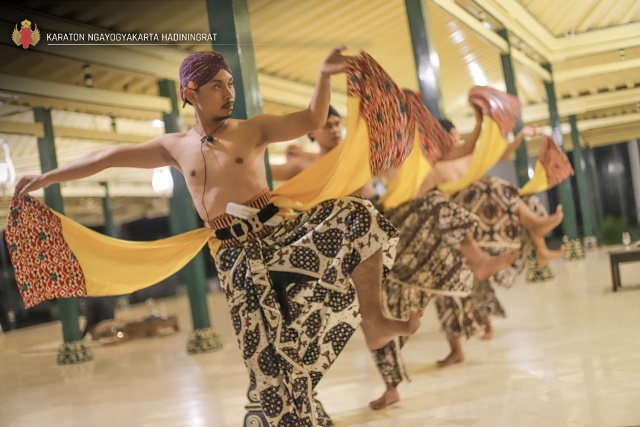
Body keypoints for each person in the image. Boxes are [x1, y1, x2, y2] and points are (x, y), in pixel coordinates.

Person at [13, 47, 422, 427]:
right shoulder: (174, 147)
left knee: (359, 213)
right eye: (217, 85)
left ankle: (375, 317)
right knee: (267, 361)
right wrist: (46, 177)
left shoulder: (252, 129)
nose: (229, 92)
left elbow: (312, 119)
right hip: (234, 258)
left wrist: (322, 75)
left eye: (230, 83)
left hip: (279, 234)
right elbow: (105, 158)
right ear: (191, 92)